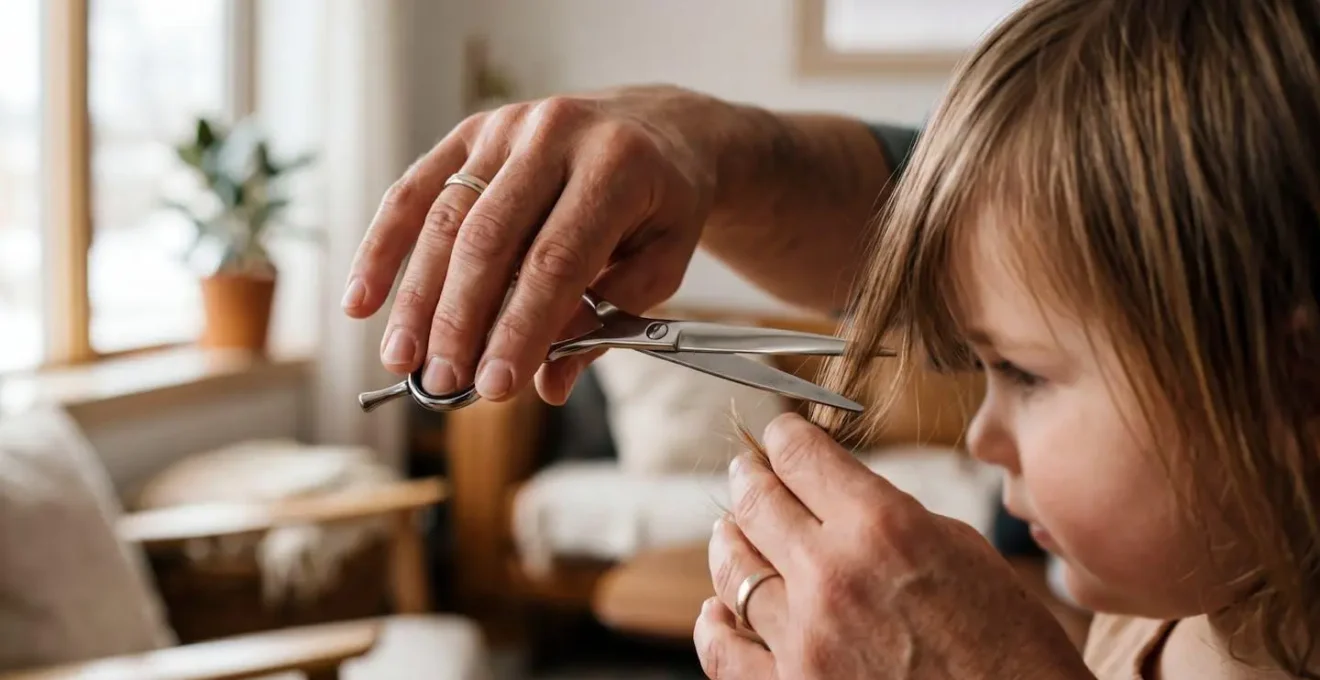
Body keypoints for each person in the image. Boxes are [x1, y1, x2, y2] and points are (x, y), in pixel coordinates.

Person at [342, 0, 1320, 676]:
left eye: (1022, 370)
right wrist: (707, 144)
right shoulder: (1172, 597)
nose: (979, 433)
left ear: (1295, 378)